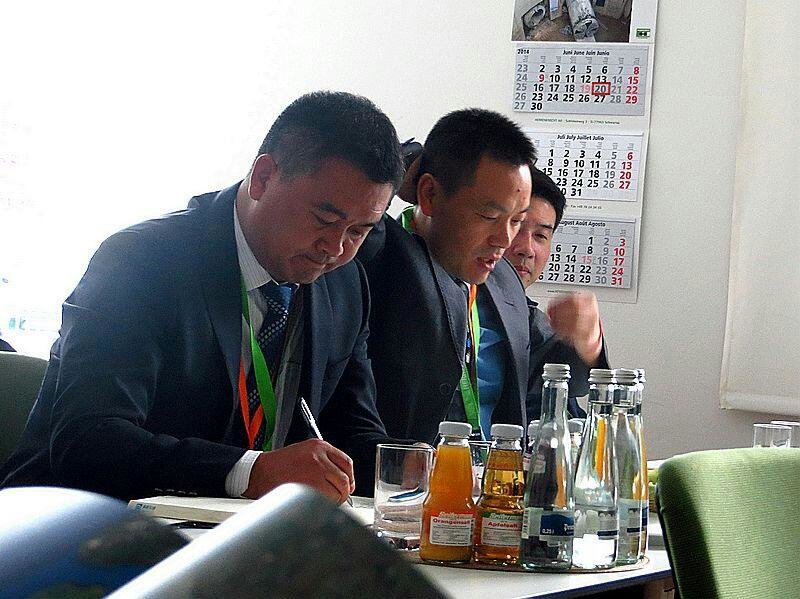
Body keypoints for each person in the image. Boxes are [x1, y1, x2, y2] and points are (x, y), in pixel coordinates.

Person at [0, 91, 405, 502]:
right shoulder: (142, 261)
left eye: (359, 231)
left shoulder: (345, 286)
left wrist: (415, 470)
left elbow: (353, 433)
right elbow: (89, 440)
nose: (336, 248)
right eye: (325, 219)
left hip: (242, 529)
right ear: (264, 178)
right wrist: (249, 471)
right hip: (82, 520)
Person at [357, 108, 535, 443]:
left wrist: (586, 343)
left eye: (517, 220)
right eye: (489, 216)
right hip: (401, 468)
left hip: (492, 470)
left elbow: (548, 365)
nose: (505, 239)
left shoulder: (505, 279)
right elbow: (356, 203)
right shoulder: (382, 256)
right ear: (429, 194)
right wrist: (403, 165)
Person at [506, 167, 609, 420]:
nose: (527, 249)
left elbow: (571, 384)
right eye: (515, 225)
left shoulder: (531, 320)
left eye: (541, 235)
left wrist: (589, 343)